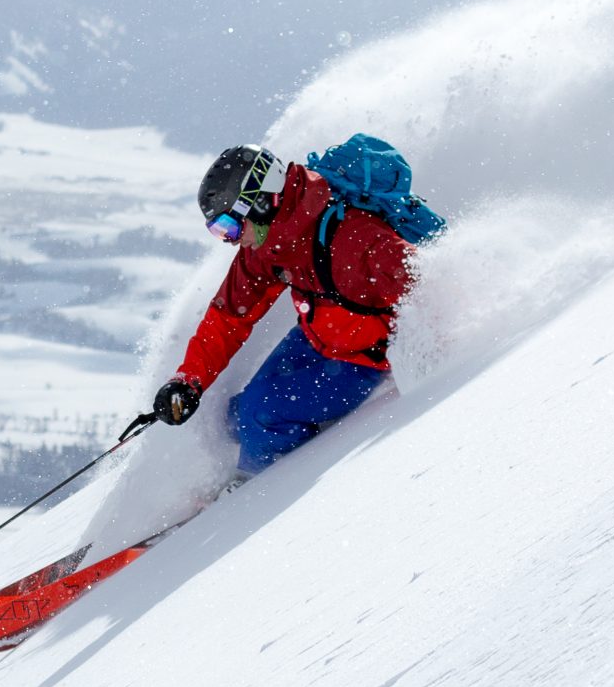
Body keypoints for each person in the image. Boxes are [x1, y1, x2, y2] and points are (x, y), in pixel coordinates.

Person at [152, 135, 444, 477]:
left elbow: (428, 282)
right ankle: (275, 448)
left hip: (364, 359)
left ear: (259, 202)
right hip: (317, 337)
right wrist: (189, 381)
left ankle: (252, 490)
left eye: (229, 226)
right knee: (236, 415)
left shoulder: (354, 237)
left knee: (263, 413)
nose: (231, 239)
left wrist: (431, 356)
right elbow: (229, 316)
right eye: (219, 231)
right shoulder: (267, 244)